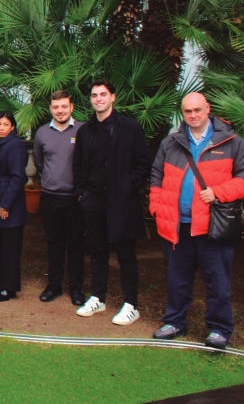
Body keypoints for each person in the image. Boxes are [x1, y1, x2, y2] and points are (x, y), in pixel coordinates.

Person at [149, 93, 244, 349]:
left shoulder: (230, 141)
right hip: (177, 225)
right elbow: (156, 176)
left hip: (212, 225)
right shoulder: (171, 142)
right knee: (178, 279)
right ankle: (175, 321)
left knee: (217, 282)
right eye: (187, 111)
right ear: (182, 113)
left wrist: (218, 192)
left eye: (197, 110)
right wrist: (157, 208)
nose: (193, 115)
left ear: (208, 109)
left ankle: (219, 329)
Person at [73, 79, 151, 325]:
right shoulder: (85, 131)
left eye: (103, 94)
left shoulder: (130, 127)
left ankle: (131, 304)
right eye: (94, 95)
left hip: (122, 200)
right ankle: (98, 296)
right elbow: (78, 166)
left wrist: (128, 185)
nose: (98, 99)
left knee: (126, 253)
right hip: (93, 199)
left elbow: (142, 163)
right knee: (97, 250)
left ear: (113, 97)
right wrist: (82, 194)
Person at [33, 90, 85, 305]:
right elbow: (38, 163)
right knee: (54, 244)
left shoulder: (82, 130)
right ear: (50, 109)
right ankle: (54, 285)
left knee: (75, 244)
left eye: (64, 106)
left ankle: (76, 288)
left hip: (75, 198)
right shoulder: (42, 133)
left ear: (71, 107)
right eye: (56, 107)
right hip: (50, 197)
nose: (60, 110)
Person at [0, 111, 28, 302]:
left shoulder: (15, 145)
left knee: (10, 246)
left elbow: (18, 176)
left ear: (12, 127)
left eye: (5, 125)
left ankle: (9, 287)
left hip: (9, 199)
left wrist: (6, 203)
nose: (1, 128)